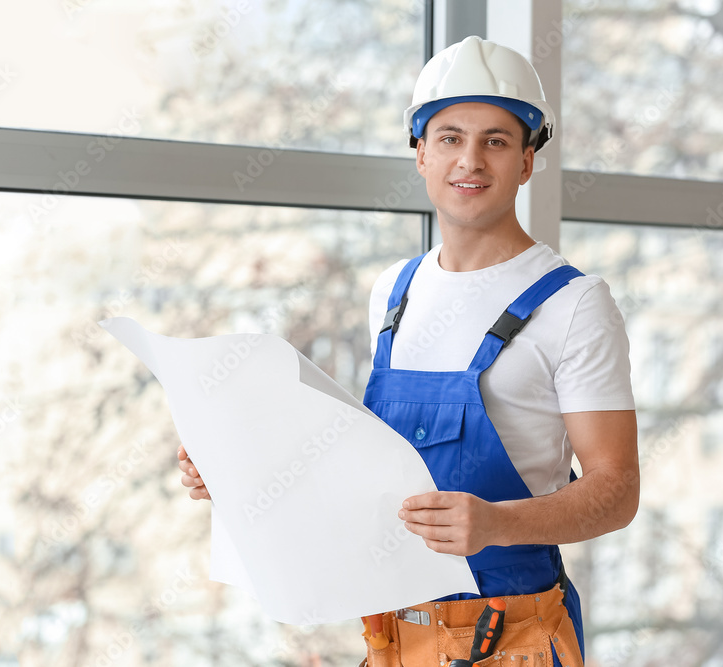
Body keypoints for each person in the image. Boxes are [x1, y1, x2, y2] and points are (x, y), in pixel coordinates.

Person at [180, 35, 638, 667]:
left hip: (511, 639)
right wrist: (237, 473)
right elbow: (365, 478)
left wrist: (498, 524)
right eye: (449, 138)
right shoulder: (393, 293)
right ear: (421, 153)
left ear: (527, 161)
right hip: (390, 636)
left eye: (496, 141)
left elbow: (617, 489)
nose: (470, 160)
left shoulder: (574, 304)